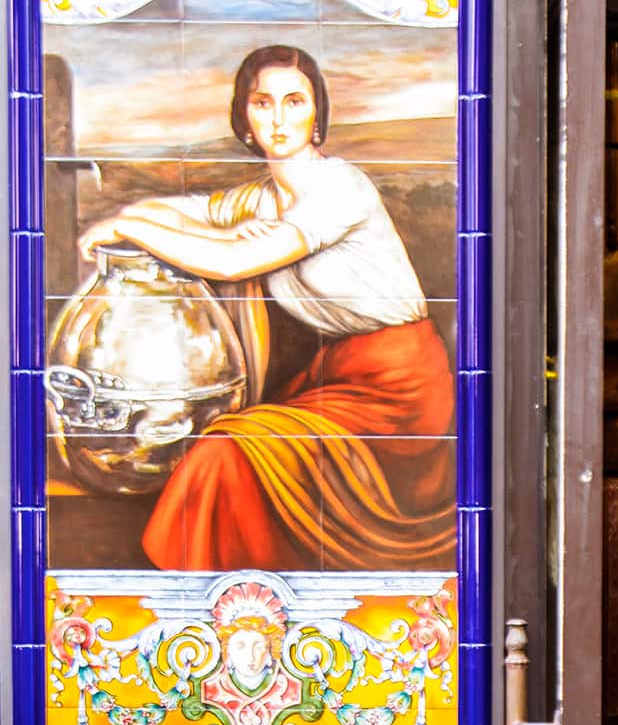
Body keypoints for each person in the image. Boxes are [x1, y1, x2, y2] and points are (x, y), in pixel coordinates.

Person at [77, 45, 456, 573]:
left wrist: (130, 228)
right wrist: (134, 218)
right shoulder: (259, 199)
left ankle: (238, 611)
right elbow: (184, 214)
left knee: (225, 454)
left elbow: (233, 262)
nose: (279, 118)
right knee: (227, 452)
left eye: (294, 101)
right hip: (338, 376)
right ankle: (228, 615)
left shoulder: (339, 186)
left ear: (316, 113)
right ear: (245, 117)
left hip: (401, 393)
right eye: (263, 103)